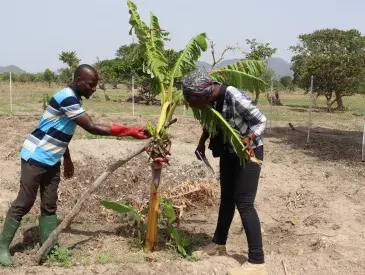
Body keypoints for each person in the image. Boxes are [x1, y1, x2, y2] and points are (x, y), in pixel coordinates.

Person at [0, 64, 149, 266]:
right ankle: (2, 248)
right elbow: (92, 127)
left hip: (52, 158)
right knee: (25, 202)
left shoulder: (75, 98)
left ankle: (50, 249)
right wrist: (130, 131)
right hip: (35, 156)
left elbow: (62, 130)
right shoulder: (67, 97)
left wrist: (67, 158)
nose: (94, 89)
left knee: (49, 204)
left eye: (96, 85)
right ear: (78, 81)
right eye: (91, 85)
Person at [182, 70, 268, 275]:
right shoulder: (210, 99)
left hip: (248, 150)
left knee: (244, 203)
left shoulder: (233, 96)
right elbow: (211, 121)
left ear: (202, 95)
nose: (190, 106)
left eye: (191, 101)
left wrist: (249, 137)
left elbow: (261, 120)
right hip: (229, 149)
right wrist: (202, 143)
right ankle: (218, 245)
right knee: (227, 198)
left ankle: (258, 262)